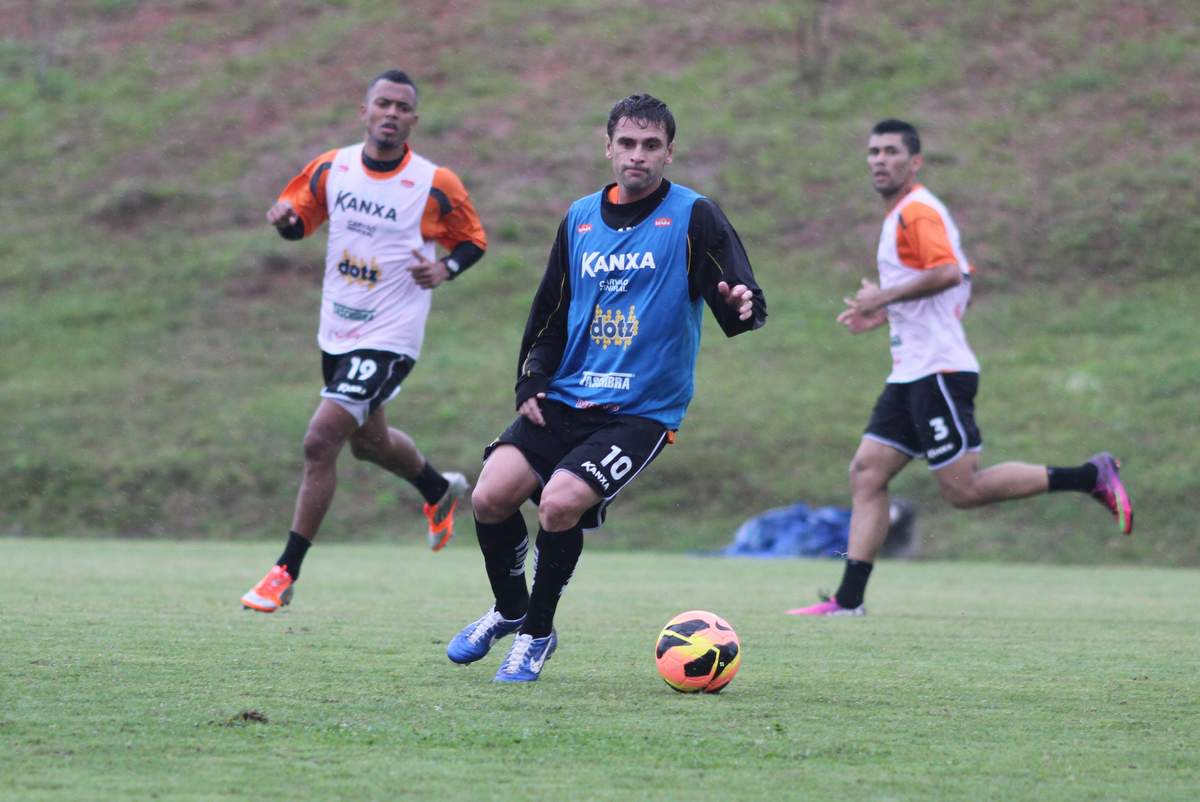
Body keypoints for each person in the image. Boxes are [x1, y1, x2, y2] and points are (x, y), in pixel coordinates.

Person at [443, 94, 766, 681]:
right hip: (568, 394)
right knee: (489, 496)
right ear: (608, 148)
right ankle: (511, 609)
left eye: (651, 145)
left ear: (669, 152)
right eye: (627, 143)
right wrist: (530, 380)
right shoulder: (580, 218)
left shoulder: (694, 216)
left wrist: (741, 305)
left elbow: (736, 294)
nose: (637, 155)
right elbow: (551, 309)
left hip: (640, 411)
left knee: (559, 503)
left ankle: (536, 635)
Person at [788, 119, 1133, 618]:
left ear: (915, 162)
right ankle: (848, 601)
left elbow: (947, 272)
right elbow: (960, 280)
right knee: (867, 472)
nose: (879, 160)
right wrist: (889, 312)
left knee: (964, 489)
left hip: (938, 373)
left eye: (891, 151)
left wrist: (884, 296)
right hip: (911, 371)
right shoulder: (905, 215)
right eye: (873, 151)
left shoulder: (917, 211)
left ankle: (1089, 475)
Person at [240, 70, 487, 613]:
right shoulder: (334, 168)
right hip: (337, 329)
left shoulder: (434, 182)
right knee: (368, 443)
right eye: (383, 103)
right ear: (365, 111)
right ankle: (436, 489)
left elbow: (472, 240)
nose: (391, 113)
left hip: (392, 335)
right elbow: (299, 222)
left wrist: (444, 269)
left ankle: (284, 572)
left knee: (320, 440)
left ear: (413, 119)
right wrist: (283, 221)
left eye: (402, 106)